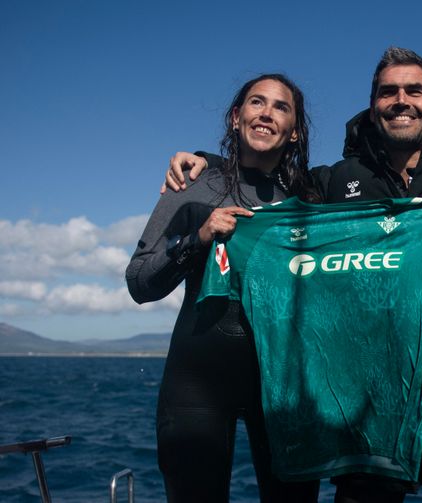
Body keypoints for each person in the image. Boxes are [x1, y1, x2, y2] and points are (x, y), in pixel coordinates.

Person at [166, 47, 422, 502]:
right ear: (373, 103)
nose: (400, 100)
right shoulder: (336, 183)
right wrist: (213, 164)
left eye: (413, 91)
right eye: (388, 92)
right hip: (366, 416)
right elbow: (268, 192)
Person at [126, 74, 320, 503]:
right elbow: (139, 282)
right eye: (256, 102)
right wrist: (197, 239)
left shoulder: (312, 201)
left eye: (281, 107)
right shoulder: (193, 186)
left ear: (296, 130)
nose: (266, 112)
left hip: (285, 387)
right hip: (196, 384)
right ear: (237, 117)